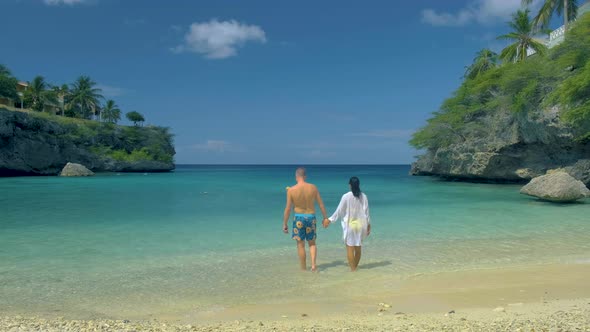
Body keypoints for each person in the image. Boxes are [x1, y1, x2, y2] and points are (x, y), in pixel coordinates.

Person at [283, 167, 329, 272]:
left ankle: (303, 269)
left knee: (300, 245)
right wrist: (325, 218)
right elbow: (321, 204)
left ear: (296, 177)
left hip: (299, 218)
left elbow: (288, 208)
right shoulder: (313, 187)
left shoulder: (291, 190)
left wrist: (285, 224)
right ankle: (313, 265)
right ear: (305, 176)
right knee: (312, 243)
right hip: (311, 217)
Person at [323, 177, 370, 272]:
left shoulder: (346, 196)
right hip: (361, 225)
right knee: (358, 248)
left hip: (350, 225)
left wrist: (330, 220)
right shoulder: (364, 196)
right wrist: (368, 225)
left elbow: (339, 210)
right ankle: (355, 268)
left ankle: (353, 270)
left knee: (350, 249)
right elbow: (367, 212)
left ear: (350, 185)